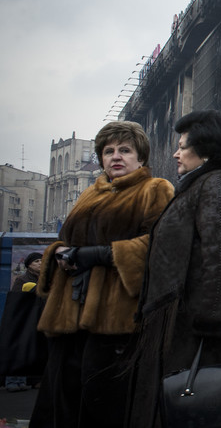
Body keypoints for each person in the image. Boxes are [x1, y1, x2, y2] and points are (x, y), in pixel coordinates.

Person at [32, 121, 174, 428]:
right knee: (62, 403)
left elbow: (161, 246)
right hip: (69, 315)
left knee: (105, 406)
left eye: (125, 150)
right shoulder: (88, 195)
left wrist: (99, 255)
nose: (115, 157)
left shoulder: (155, 189)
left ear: (141, 157)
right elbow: (66, 240)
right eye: (108, 151)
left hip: (116, 321)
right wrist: (57, 252)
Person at [127, 110, 221, 427]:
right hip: (182, 328)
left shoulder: (218, 188)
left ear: (206, 150)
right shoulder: (201, 186)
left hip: (197, 336)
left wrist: (213, 329)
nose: (175, 153)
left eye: (182, 146)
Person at [4, 252, 44, 392]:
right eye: (36, 261)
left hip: (38, 319)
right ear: (29, 265)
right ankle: (13, 381)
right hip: (23, 319)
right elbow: (16, 300)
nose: (40, 263)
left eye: (41, 261)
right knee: (19, 347)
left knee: (35, 348)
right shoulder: (22, 279)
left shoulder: (45, 279)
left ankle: (34, 379)